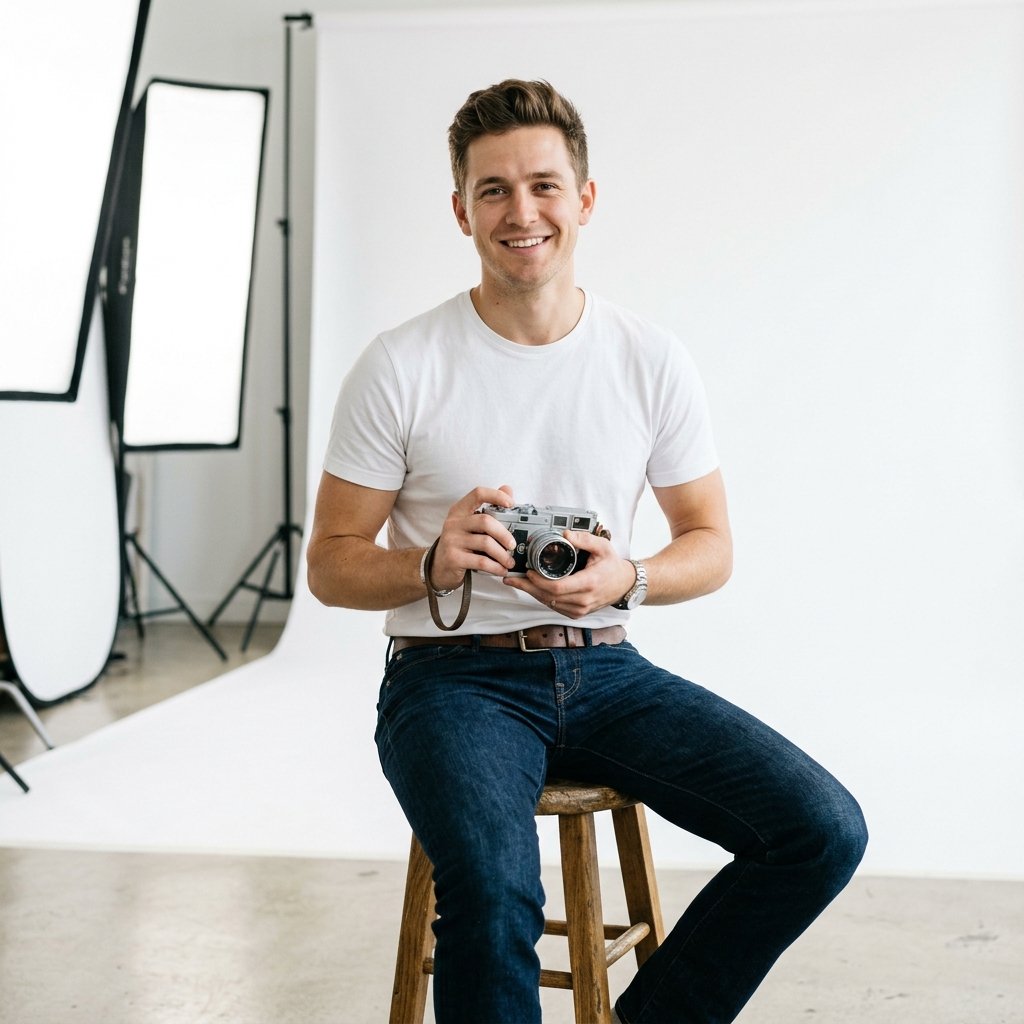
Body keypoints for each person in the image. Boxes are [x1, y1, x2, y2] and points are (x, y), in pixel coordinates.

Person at [307, 79, 867, 1024]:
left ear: (585, 198)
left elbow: (711, 544)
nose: (520, 212)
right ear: (461, 211)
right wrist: (432, 562)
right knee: (492, 895)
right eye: (492, 191)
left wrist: (629, 578)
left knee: (820, 830)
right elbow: (328, 564)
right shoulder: (401, 364)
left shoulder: (648, 358)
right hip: (449, 681)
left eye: (543, 185)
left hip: (608, 669)